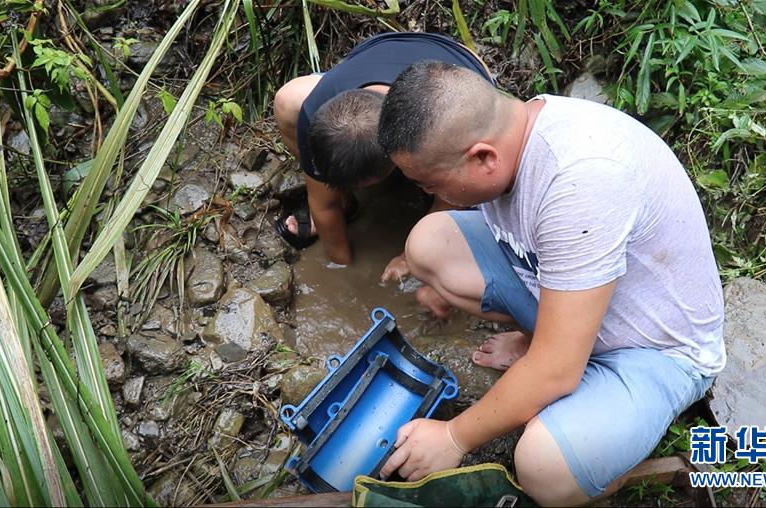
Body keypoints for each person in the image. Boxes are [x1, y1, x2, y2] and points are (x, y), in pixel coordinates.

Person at [375, 62, 726, 506]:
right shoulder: (515, 132)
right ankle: (542, 343)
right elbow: (525, 254)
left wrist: (452, 437)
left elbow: (559, 369)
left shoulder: (580, 179)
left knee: (543, 468)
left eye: (429, 181)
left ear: (483, 158)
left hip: (652, 350)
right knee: (428, 242)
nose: (428, 192)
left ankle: (605, 432)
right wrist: (532, 341)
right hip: (573, 301)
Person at [273, 32, 493, 280]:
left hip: (460, 70)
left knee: (455, 183)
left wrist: (408, 258)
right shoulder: (317, 111)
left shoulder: (440, 129)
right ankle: (347, 203)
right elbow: (324, 205)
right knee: (288, 99)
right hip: (383, 61)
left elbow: (456, 196)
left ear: (396, 162)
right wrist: (342, 267)